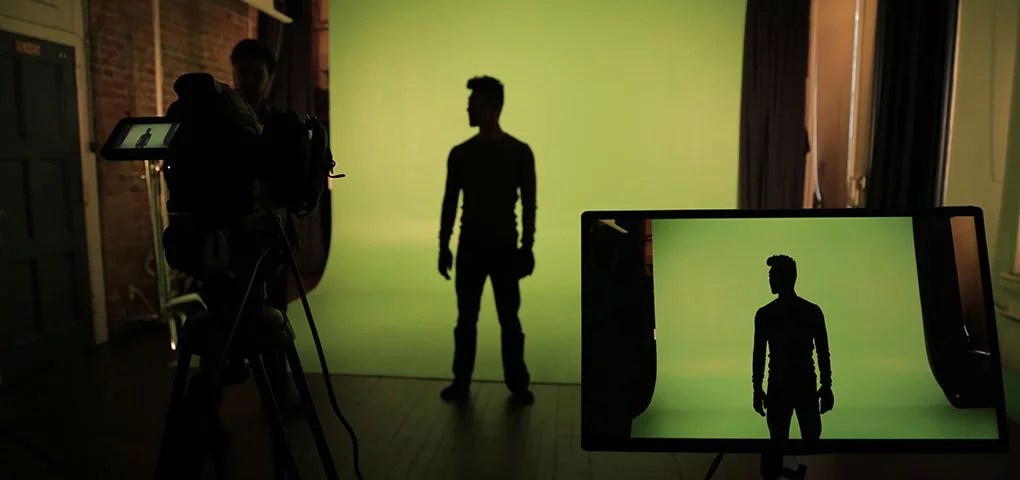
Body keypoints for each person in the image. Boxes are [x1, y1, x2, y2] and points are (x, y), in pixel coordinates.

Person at [437, 76, 537, 405]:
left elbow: (528, 204)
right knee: (487, 319)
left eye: (474, 103)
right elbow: (450, 203)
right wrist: (443, 245)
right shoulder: (511, 152)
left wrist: (527, 247)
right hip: (489, 247)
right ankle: (512, 384)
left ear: (494, 106)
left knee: (489, 319)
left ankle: (470, 381)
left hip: (490, 248)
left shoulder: (474, 153)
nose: (468, 108)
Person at [229, 38, 302, 414]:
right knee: (226, 321)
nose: (249, 81)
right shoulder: (221, 124)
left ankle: (280, 392)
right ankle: (209, 413)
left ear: (270, 78)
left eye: (257, 74)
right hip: (229, 238)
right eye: (243, 73)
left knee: (275, 314)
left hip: (271, 239)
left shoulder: (280, 125)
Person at [752, 255, 834, 480]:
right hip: (800, 385)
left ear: (787, 277)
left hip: (783, 387)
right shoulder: (811, 311)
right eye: (770, 276)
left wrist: (757, 389)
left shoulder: (766, 314)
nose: (770, 280)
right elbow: (822, 354)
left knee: (788, 444)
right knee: (808, 444)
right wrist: (826, 385)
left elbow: (759, 356)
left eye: (773, 275)